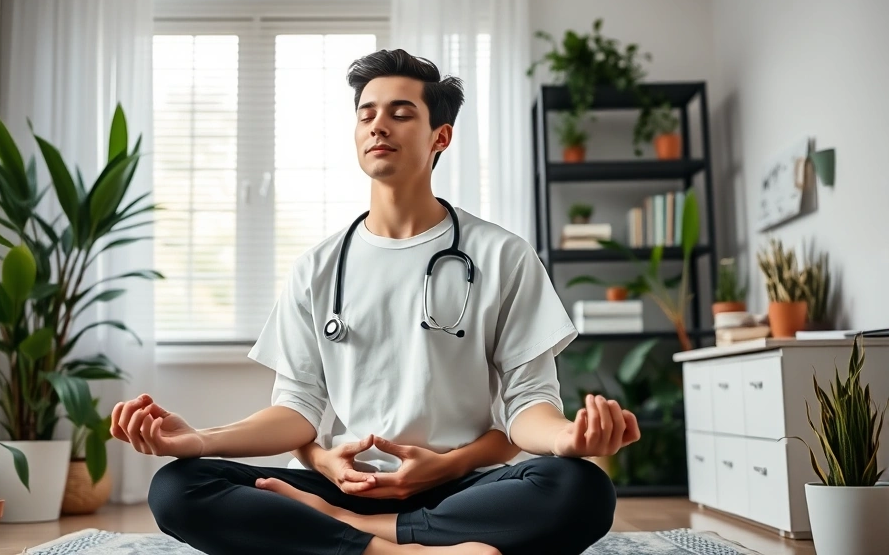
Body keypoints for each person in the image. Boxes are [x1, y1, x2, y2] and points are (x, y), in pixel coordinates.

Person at [110, 48, 641, 555]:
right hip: (347, 483)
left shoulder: (503, 255)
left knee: (580, 488)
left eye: (400, 113)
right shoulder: (317, 268)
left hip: (461, 487)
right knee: (178, 487)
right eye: (366, 114)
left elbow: (527, 405)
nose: (377, 125)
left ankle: (352, 534)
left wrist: (568, 437)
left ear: (441, 135)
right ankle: (405, 547)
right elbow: (296, 410)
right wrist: (199, 439)